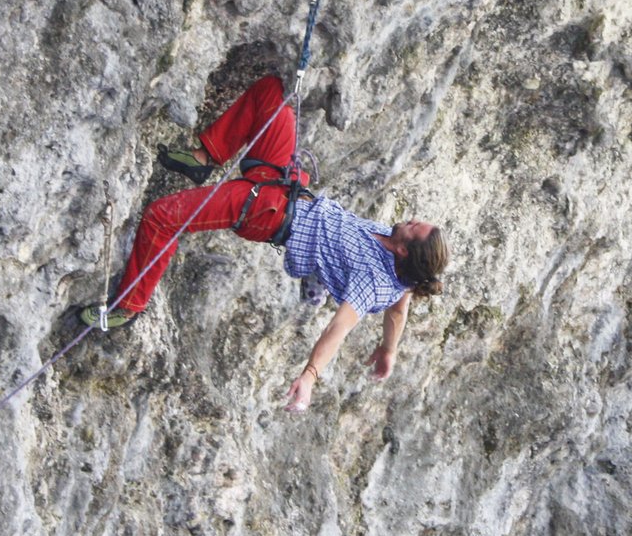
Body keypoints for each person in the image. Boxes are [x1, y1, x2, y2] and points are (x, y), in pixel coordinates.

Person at [77, 75, 450, 412]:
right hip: (288, 183)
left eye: (415, 228)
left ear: (404, 250)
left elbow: (338, 328)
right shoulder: (395, 250)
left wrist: (309, 376)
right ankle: (203, 158)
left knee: (162, 217)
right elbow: (399, 308)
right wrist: (388, 350)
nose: (411, 220)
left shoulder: (372, 282)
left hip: (267, 212)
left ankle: (129, 305)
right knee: (270, 93)